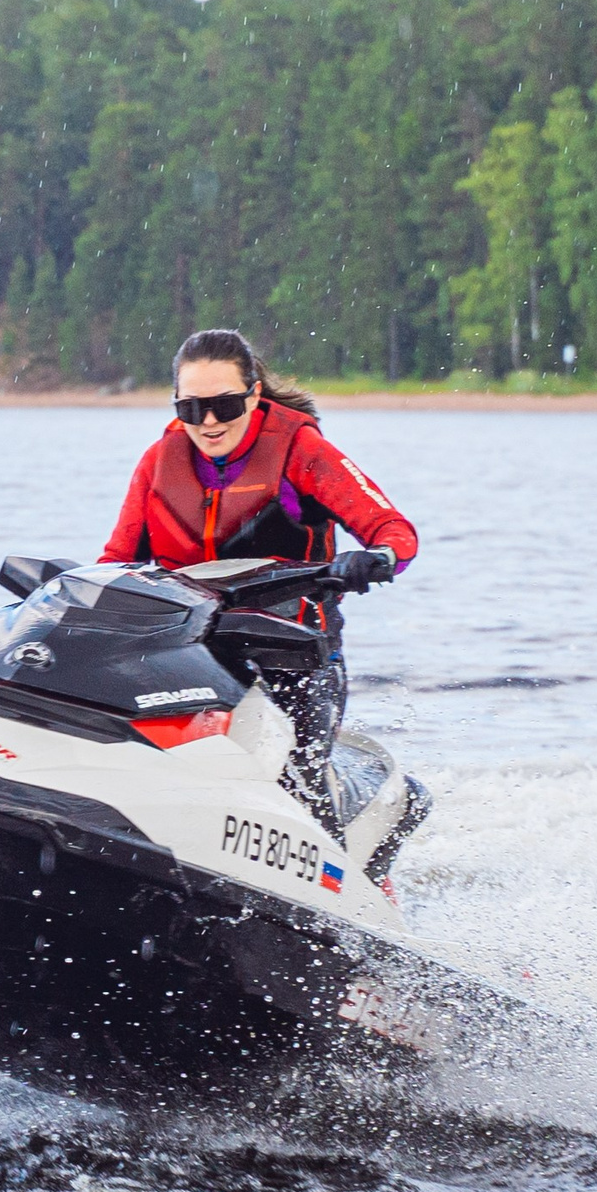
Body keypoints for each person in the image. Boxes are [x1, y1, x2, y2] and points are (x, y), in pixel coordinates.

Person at [100, 328, 419, 829]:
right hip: (188, 649)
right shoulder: (158, 463)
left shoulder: (300, 450)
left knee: (299, 776)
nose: (207, 422)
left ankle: (328, 861)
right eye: (191, 408)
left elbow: (394, 531)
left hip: (292, 652)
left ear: (252, 395)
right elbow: (116, 560)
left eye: (224, 405)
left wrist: (376, 559)